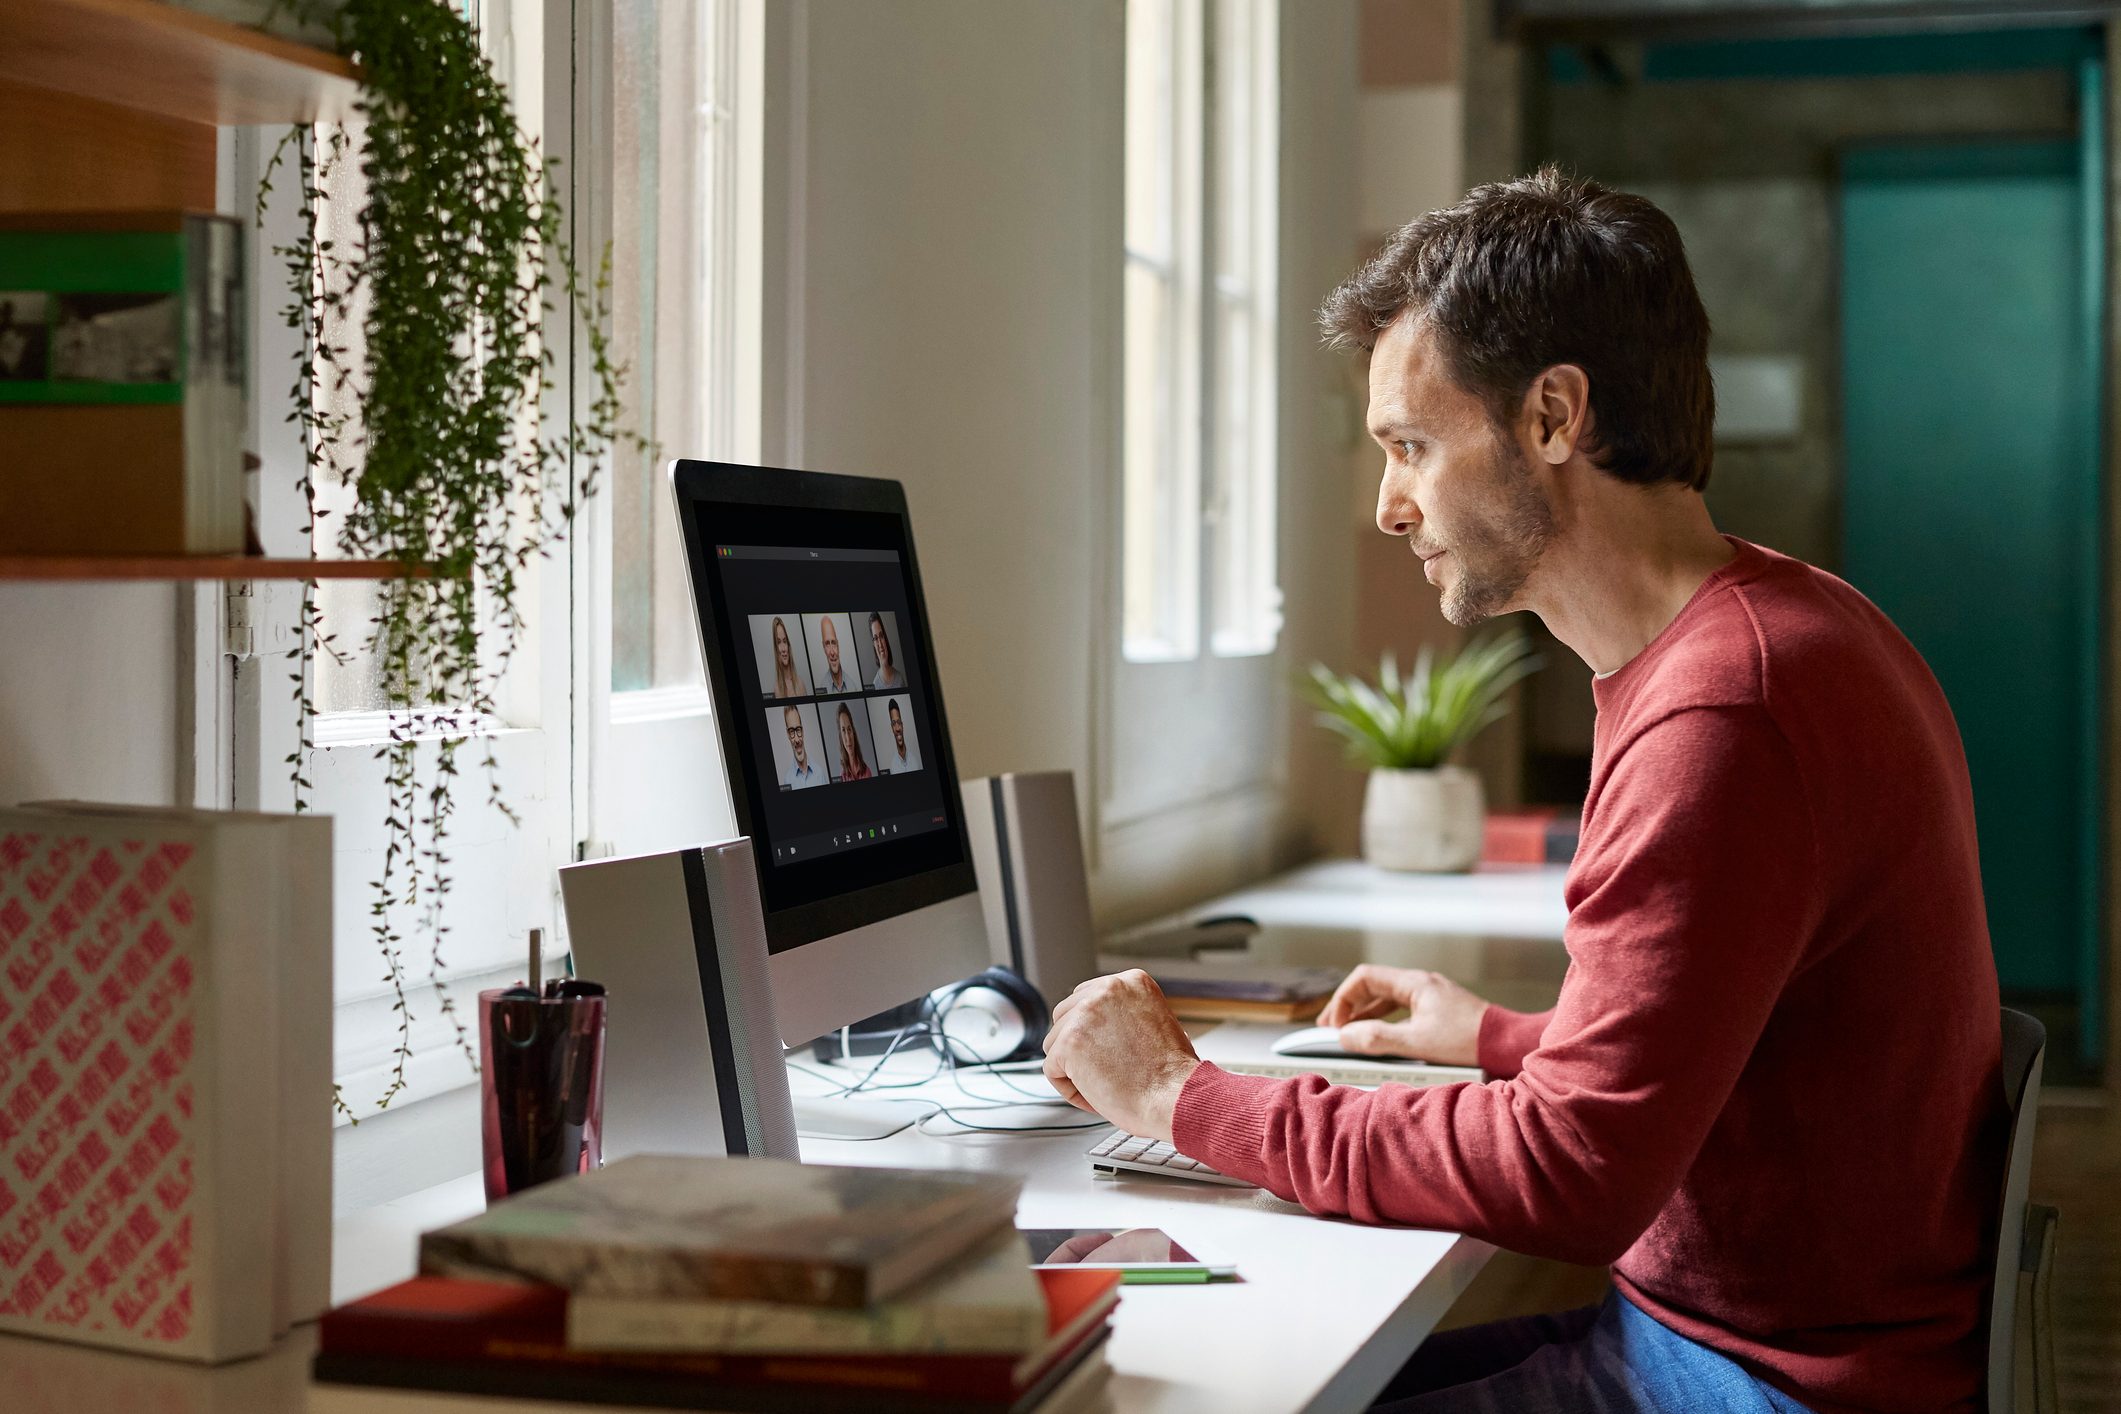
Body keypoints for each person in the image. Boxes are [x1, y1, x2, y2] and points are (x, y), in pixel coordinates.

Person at [1040, 169, 2005, 1414]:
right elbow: (1732, 1044)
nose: (1389, 506)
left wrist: (1182, 1097)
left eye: (1411, 446)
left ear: (1553, 416)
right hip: (1743, 1343)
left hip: (1764, 1384)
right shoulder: (1774, 631)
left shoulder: (1729, 710)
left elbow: (1576, 1172)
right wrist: (1500, 1039)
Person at [779, 706, 820, 790]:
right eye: (791, 731)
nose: (797, 739)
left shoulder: (820, 772)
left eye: (798, 729)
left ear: (803, 731)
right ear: (788, 735)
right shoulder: (787, 781)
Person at [769, 617, 808, 699]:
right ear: (776, 649)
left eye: (785, 641)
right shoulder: (776, 690)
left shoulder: (800, 684)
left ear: (788, 645)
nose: (783, 649)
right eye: (778, 642)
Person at [834, 703, 873, 781]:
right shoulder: (842, 777)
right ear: (840, 736)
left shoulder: (867, 772)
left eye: (849, 729)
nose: (848, 738)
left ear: (853, 732)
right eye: (843, 730)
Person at [868, 612, 906, 689]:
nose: (880, 644)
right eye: (875, 638)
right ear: (873, 645)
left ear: (885, 638)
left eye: (881, 636)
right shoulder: (875, 685)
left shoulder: (900, 679)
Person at [817, 615, 852, 693]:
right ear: (824, 648)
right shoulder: (822, 689)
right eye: (827, 644)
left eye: (833, 643)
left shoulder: (853, 686)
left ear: (838, 645)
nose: (832, 652)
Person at [883, 699, 919, 773]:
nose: (897, 729)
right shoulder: (892, 767)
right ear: (892, 728)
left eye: (899, 722)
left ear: (902, 725)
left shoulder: (915, 762)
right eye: (893, 724)